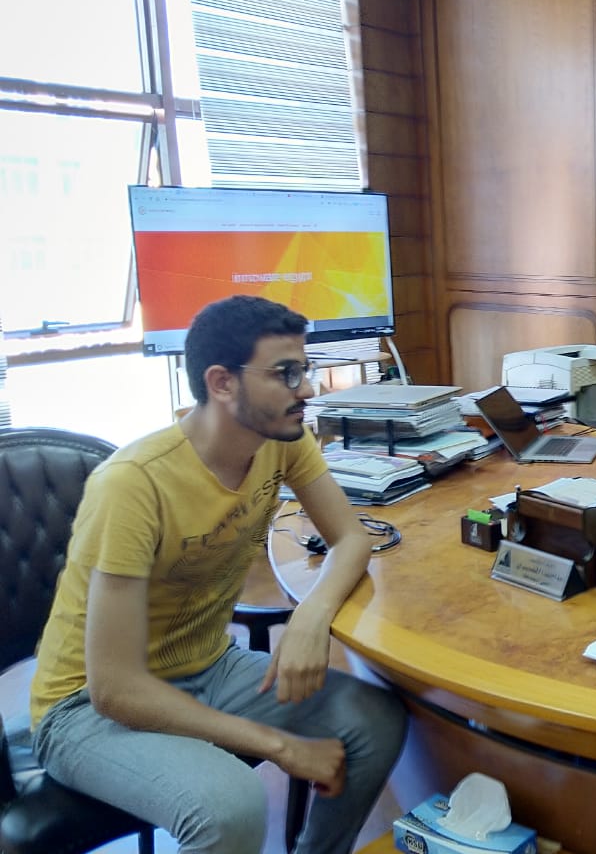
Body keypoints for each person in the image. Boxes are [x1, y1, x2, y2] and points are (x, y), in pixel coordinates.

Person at [29, 295, 408, 854]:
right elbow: (115, 690)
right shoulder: (132, 484)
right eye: (286, 373)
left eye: (304, 369)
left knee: (376, 720)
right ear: (222, 383)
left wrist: (310, 617)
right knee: (232, 806)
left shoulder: (283, 441)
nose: (306, 389)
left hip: (208, 665)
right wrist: (280, 746)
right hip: (84, 710)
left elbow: (352, 538)